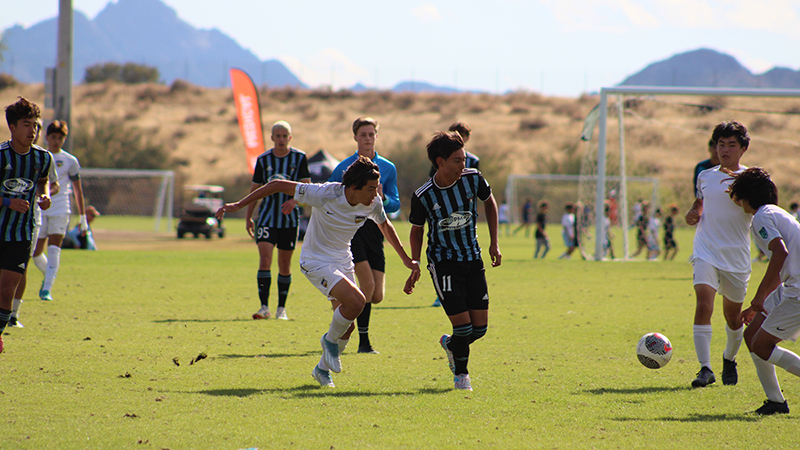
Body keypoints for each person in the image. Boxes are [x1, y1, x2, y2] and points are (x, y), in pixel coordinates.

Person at [216, 156, 420, 388]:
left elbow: (385, 225)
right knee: (357, 301)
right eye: (372, 188)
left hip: (342, 260)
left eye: (377, 188)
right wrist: (239, 205)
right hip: (315, 260)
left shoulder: (372, 202)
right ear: (354, 188)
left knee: (348, 326)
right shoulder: (325, 193)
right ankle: (328, 341)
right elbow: (276, 185)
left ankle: (322, 370)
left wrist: (406, 260)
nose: (376, 193)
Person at [404, 131, 501, 391]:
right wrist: (414, 263)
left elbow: (490, 202)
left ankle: (450, 345)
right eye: (457, 160)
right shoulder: (423, 195)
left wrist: (494, 242)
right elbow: (416, 230)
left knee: (479, 330)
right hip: (443, 263)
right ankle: (462, 376)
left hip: (473, 259)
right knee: (463, 326)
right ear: (440, 162)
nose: (463, 165)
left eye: (464, 158)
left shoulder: (473, 178)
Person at [726, 167, 800, 415]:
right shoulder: (774, 212)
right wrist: (757, 305)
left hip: (798, 291)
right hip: (790, 286)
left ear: (746, 196)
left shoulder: (761, 217)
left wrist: (759, 297)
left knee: (762, 345)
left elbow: (780, 253)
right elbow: (784, 264)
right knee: (752, 337)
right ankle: (776, 402)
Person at [685, 120, 752, 388]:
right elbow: (700, 202)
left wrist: (740, 200)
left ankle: (729, 358)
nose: (724, 150)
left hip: (736, 256)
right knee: (703, 303)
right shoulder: (706, 175)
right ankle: (705, 369)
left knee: (733, 318)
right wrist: (694, 213)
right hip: (706, 250)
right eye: (720, 144)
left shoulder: (753, 179)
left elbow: (760, 211)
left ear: (743, 148)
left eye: (731, 145)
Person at [328, 117, 399, 353]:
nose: (368, 138)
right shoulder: (344, 168)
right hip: (352, 229)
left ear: (377, 136)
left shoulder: (388, 168)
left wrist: (383, 198)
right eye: (363, 135)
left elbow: (395, 203)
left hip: (375, 230)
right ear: (355, 137)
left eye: (371, 134)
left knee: (377, 295)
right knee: (366, 286)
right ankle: (364, 343)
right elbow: (330, 193)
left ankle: (340, 310)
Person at [0, 97, 53, 353]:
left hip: (22, 233)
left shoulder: (43, 158)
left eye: (35, 125)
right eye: (26, 124)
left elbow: (42, 181)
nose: (32, 130)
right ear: (12, 127)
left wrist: (45, 196)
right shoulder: (1, 156)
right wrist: (7, 202)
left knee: (7, 289)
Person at [246, 121, 310, 321]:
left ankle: (281, 308)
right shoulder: (263, 159)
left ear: (290, 138)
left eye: (285, 136)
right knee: (265, 260)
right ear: (272, 138)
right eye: (278, 136)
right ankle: (264, 307)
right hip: (266, 218)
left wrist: (294, 201)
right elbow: (255, 190)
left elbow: (307, 187)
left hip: (289, 221)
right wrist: (249, 217)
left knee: (284, 263)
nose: (281, 139)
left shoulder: (299, 158)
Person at [29, 121, 88, 302]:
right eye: (53, 137)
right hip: (40, 210)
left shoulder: (70, 161)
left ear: (64, 139)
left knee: (54, 249)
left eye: (60, 137)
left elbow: (77, 190)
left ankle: (46, 289)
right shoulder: (40, 157)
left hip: (61, 209)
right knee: (36, 252)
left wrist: (83, 217)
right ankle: (49, 277)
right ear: (47, 137)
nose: (56, 141)